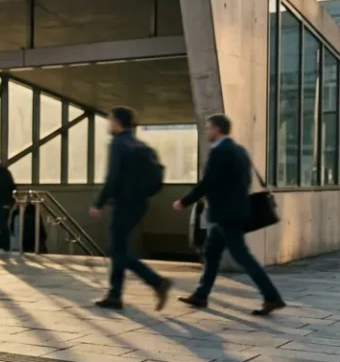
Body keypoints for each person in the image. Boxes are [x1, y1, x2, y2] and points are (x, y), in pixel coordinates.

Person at [172, 114, 285, 316]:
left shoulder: (220, 151)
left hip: (226, 214)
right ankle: (201, 295)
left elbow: (208, 182)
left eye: (208, 128)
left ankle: (272, 297)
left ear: (217, 129)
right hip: (233, 212)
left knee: (242, 256)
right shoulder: (240, 151)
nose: (207, 132)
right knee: (211, 252)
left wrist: (184, 201)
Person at [88, 106, 171, 310]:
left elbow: (113, 176)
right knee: (119, 248)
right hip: (139, 204)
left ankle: (156, 281)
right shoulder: (137, 143)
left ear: (117, 122)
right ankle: (115, 295)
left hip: (123, 204)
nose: (108, 124)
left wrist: (98, 203)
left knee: (116, 250)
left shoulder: (118, 143)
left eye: (110, 120)